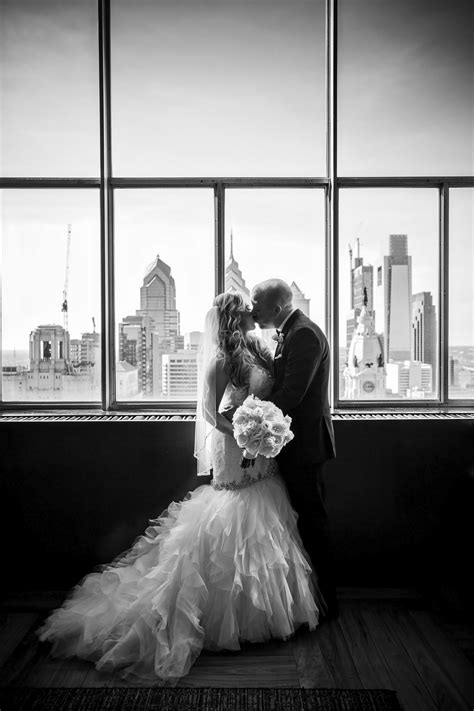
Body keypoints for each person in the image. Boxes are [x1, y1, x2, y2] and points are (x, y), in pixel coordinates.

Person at [36, 291, 326, 686]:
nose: (252, 314)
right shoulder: (221, 362)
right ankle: (215, 619)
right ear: (232, 319)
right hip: (237, 448)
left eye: (254, 309)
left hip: (265, 452)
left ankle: (264, 613)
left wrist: (264, 431)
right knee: (231, 521)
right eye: (246, 311)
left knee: (267, 520)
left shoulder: (260, 350)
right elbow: (210, 412)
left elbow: (275, 394)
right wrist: (241, 434)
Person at [251, 279, 338, 620]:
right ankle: (309, 601)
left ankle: (326, 602)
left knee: (313, 523)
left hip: (305, 447)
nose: (251, 308)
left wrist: (251, 421)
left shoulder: (303, 334)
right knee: (302, 522)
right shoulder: (291, 332)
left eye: (256, 302)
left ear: (277, 307)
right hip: (293, 445)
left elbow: (291, 395)